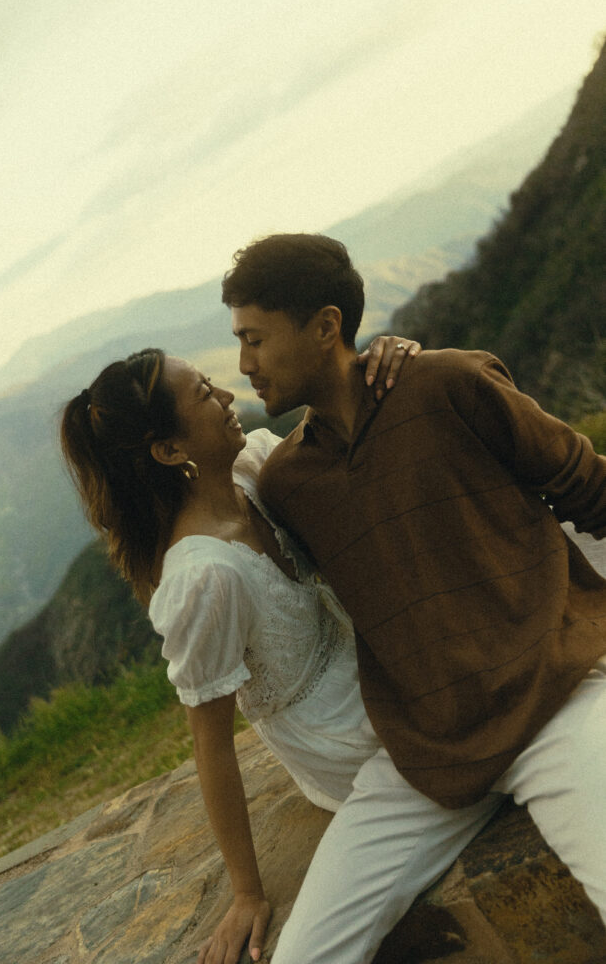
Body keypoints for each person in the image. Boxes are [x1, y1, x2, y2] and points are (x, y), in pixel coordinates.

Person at [222, 231, 606, 963]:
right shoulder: (287, 485)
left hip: (555, 702)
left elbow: (589, 488)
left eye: (255, 339)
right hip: (426, 755)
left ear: (326, 326)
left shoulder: (449, 384)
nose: (244, 365)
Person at [59, 337, 418, 964]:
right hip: (344, 735)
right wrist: (247, 893)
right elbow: (212, 741)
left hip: (373, 658)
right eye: (204, 394)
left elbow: (347, 444)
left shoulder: (252, 467)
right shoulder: (203, 577)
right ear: (170, 451)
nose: (227, 396)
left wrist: (382, 360)